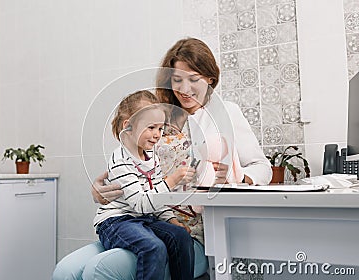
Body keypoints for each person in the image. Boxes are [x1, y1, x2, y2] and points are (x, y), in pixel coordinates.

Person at [52, 38, 272, 280]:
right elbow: (129, 165)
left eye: (194, 79)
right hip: (140, 219)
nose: (184, 89)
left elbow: (262, 168)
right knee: (65, 271)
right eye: (177, 80)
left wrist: (235, 178)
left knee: (101, 269)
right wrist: (101, 190)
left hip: (191, 231)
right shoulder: (159, 116)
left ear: (210, 78)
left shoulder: (226, 113)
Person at [94, 90, 195, 280]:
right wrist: (171, 181)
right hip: (117, 221)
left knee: (181, 237)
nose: (157, 134)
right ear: (128, 127)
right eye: (151, 128)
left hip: (143, 218)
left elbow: (156, 199)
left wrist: (171, 220)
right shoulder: (120, 160)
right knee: (152, 247)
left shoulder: (152, 158)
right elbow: (140, 203)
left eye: (160, 128)